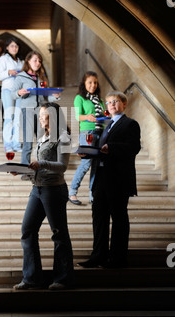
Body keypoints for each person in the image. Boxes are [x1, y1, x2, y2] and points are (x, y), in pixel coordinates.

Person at [13, 102, 74, 290]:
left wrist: (41, 163)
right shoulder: (43, 135)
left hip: (53, 190)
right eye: (39, 115)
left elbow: (62, 166)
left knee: (59, 233)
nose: (40, 118)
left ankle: (62, 278)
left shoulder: (63, 137)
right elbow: (39, 165)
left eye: (44, 115)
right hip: (37, 189)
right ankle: (32, 278)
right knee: (28, 230)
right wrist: (22, 170)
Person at [79, 91, 141, 268]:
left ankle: (117, 259)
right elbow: (101, 151)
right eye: (109, 103)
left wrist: (111, 147)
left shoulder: (130, 124)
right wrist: (87, 154)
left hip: (118, 179)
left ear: (124, 104)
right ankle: (98, 256)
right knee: (99, 219)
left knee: (119, 219)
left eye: (115, 101)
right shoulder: (107, 126)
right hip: (101, 179)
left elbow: (133, 147)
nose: (112, 105)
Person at [11, 51, 60, 165]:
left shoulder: (41, 78)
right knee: (27, 142)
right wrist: (19, 92)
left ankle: (43, 166)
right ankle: (25, 170)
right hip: (27, 111)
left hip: (42, 112)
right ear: (28, 61)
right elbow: (12, 94)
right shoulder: (21, 77)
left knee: (42, 141)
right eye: (35, 60)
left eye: (40, 61)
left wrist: (55, 96)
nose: (38, 63)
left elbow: (46, 97)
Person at [69, 71, 105, 205]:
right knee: (86, 163)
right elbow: (77, 116)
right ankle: (72, 192)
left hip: (100, 132)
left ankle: (93, 194)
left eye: (95, 82)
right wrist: (87, 117)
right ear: (84, 83)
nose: (93, 85)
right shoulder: (80, 98)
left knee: (97, 165)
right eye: (90, 82)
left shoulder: (99, 100)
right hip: (87, 132)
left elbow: (103, 114)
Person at [0, 38, 24, 152]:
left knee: (17, 118)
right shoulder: (3, 58)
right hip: (7, 90)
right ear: (7, 47)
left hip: (19, 91)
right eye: (12, 46)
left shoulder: (20, 61)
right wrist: (8, 72)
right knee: (9, 117)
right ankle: (8, 144)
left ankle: (16, 144)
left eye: (16, 46)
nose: (14, 48)